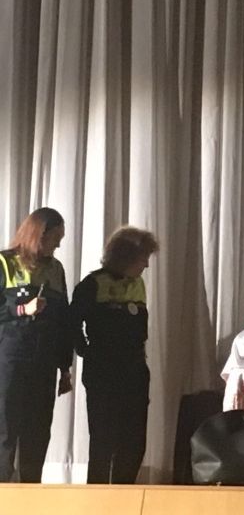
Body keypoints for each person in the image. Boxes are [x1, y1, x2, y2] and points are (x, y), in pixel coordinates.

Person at [70, 226, 158, 484]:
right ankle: (98, 496)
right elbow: (71, 322)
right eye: (143, 258)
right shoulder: (93, 284)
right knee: (103, 440)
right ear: (125, 256)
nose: (146, 265)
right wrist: (85, 350)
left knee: (134, 441)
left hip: (135, 370)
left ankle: (125, 494)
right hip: (104, 372)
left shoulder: (138, 284)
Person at [0, 207, 73, 482]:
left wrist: (65, 367)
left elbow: (63, 319)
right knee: (6, 428)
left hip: (44, 362)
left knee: (38, 430)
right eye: (55, 238)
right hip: (11, 359)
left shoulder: (56, 269)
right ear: (38, 235)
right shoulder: (5, 262)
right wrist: (22, 310)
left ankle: (31, 490)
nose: (58, 245)